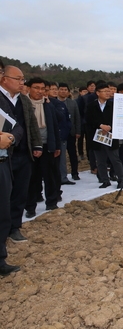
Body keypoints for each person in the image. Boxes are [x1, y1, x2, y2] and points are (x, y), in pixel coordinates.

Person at [0, 65, 42, 243]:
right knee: (4, 194)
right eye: (18, 79)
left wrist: (37, 145)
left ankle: (14, 227)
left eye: (22, 79)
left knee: (20, 192)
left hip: (23, 153)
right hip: (4, 155)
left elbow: (31, 124)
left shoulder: (23, 100)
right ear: (4, 79)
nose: (21, 82)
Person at [0, 60, 24, 275]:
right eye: (19, 79)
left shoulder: (8, 100)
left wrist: (9, 138)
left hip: (3, 160)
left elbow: (17, 126)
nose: (21, 83)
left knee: (3, 211)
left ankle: (1, 260)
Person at [25, 78, 62, 217]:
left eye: (42, 89)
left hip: (48, 145)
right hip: (31, 147)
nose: (40, 91)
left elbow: (55, 125)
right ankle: (30, 207)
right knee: (32, 178)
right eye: (36, 88)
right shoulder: (24, 104)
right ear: (28, 88)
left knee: (50, 176)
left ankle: (51, 203)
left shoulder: (48, 105)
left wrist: (56, 145)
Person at [85, 83, 123, 189]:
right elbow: (88, 120)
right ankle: (104, 180)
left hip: (111, 136)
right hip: (97, 137)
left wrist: (109, 127)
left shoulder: (114, 105)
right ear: (98, 93)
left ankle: (121, 179)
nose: (108, 93)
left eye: (109, 91)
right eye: (105, 91)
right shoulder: (91, 106)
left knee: (115, 159)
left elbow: (118, 119)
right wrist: (100, 126)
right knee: (100, 161)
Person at [57, 83, 81, 180]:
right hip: (59, 133)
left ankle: (75, 173)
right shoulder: (54, 102)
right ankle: (61, 174)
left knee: (72, 154)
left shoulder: (72, 103)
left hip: (71, 132)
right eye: (61, 89)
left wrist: (78, 131)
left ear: (68, 91)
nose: (63, 91)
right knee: (60, 155)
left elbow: (77, 118)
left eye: (65, 90)